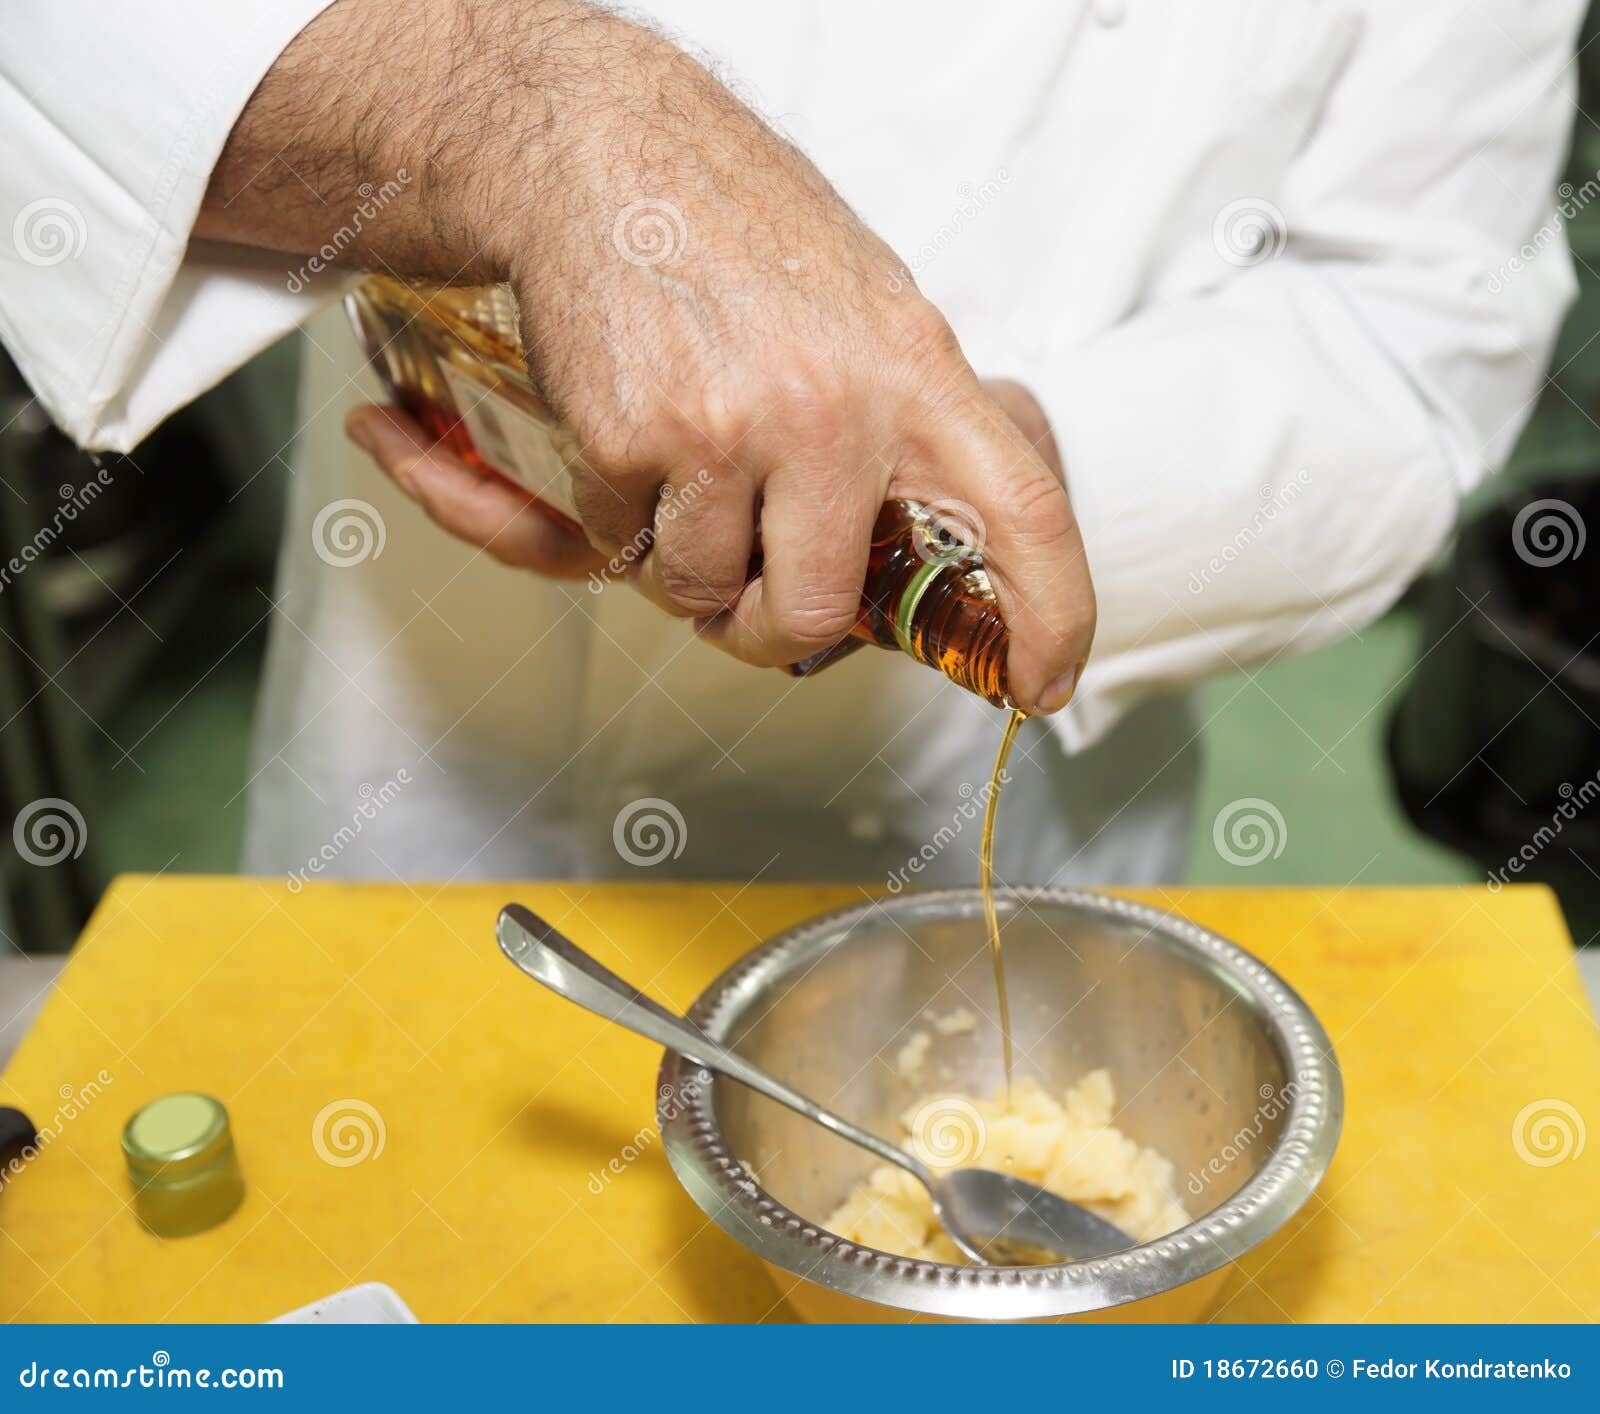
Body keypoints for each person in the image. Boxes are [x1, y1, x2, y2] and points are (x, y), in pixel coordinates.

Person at [0, 0, 1581, 890]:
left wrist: (974, 488)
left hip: (997, 844)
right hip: (425, 785)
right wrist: (538, 123)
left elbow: (1407, 328)